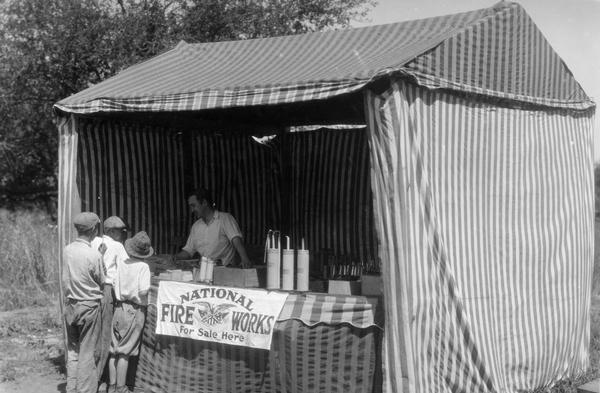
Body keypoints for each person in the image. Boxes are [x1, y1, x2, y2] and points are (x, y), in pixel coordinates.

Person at [62, 212, 105, 393]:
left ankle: (72, 388)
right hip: (88, 306)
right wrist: (100, 256)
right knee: (87, 352)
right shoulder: (93, 255)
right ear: (94, 229)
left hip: (71, 305)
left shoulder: (67, 250)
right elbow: (101, 280)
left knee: (73, 351)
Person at [108, 231, 152, 393]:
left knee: (114, 349)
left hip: (119, 307)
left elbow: (114, 282)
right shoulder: (143, 267)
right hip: (133, 310)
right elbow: (143, 290)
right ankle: (121, 388)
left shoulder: (122, 263)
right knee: (124, 352)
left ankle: (111, 386)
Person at [91, 216, 129, 393]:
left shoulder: (94, 242)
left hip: (91, 289)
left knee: (94, 334)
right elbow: (126, 268)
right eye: (120, 231)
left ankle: (95, 378)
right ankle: (99, 380)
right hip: (107, 289)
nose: (122, 234)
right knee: (106, 336)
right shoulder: (117, 246)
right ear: (111, 231)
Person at [174, 188, 252, 268]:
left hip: (224, 271)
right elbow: (188, 250)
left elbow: (235, 239)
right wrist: (173, 258)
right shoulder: (196, 226)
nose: (192, 210)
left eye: (193, 206)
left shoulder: (225, 218)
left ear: (204, 202)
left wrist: (244, 258)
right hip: (204, 271)